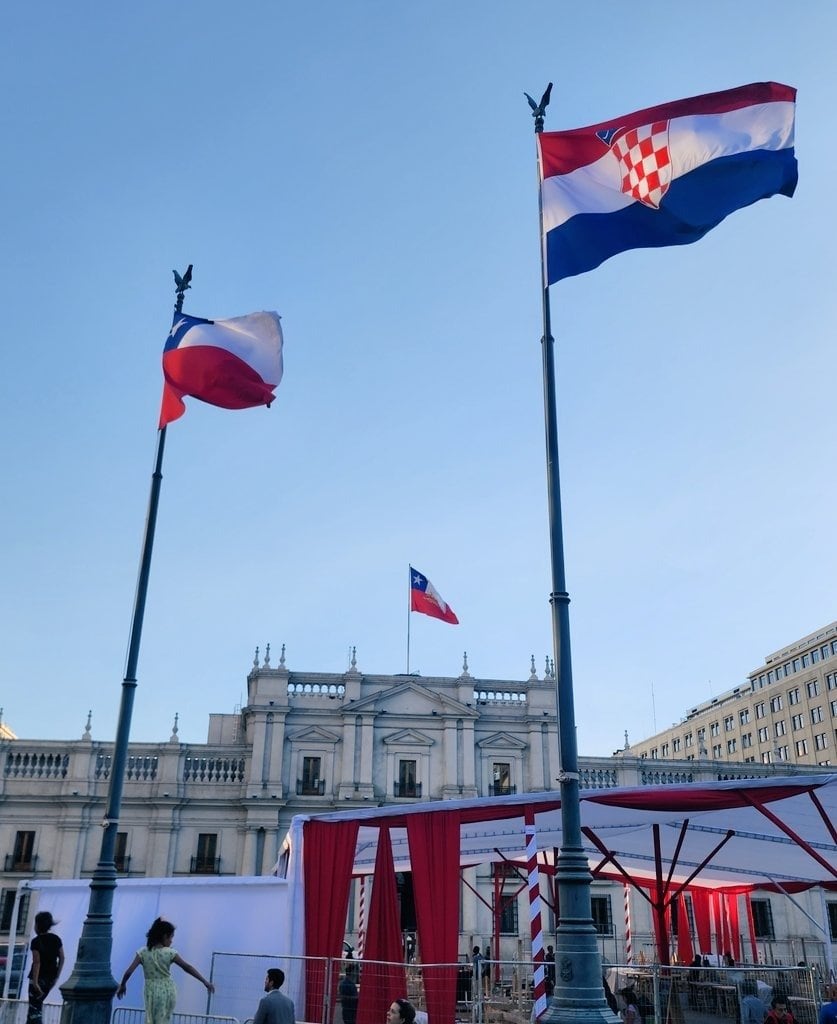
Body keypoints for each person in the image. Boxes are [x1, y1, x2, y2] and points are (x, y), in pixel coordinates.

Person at [116, 917, 215, 1024]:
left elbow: (129, 971)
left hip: (150, 990)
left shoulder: (142, 952)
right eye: (171, 937)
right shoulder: (170, 953)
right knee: (163, 1019)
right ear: (164, 936)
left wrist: (123, 985)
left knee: (150, 1018)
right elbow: (187, 967)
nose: (171, 941)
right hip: (167, 989)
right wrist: (204, 981)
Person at [27, 911, 64, 1024]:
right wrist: (56, 976)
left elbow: (37, 962)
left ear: (37, 925)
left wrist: (35, 982)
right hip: (50, 978)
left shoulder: (36, 942)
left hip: (38, 979)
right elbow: (62, 958)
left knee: (34, 1009)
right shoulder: (56, 939)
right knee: (37, 1006)